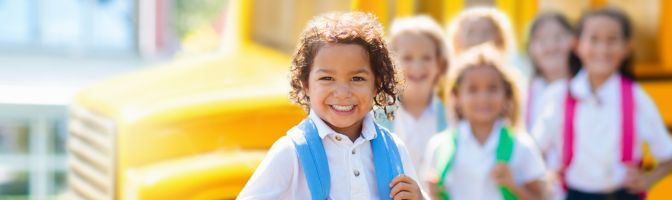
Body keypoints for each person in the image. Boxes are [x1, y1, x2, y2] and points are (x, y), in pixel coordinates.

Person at [238, 12, 425, 200]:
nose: (342, 92)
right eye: (327, 78)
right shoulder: (291, 151)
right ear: (306, 84)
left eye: (357, 78)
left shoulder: (393, 148)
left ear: (377, 84)